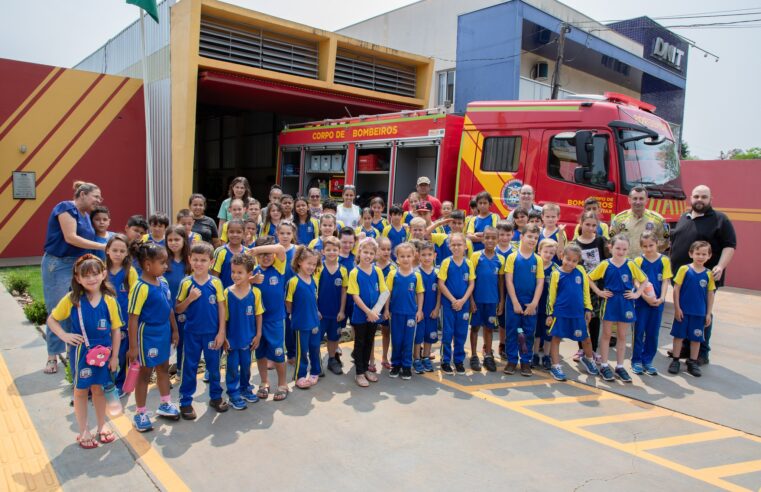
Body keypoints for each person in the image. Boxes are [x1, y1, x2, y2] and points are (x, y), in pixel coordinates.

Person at [46, 254, 122, 449]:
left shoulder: (109, 300)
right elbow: (52, 320)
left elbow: (116, 330)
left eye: (95, 274)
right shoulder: (73, 299)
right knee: (80, 391)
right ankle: (83, 430)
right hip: (81, 354)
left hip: (104, 354)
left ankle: (102, 426)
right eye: (85, 275)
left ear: (103, 274)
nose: (91, 278)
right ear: (78, 278)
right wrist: (64, 336)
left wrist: (114, 357)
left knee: (98, 390)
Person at [42, 181, 104, 375]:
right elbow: (71, 237)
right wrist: (103, 247)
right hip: (58, 264)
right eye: (96, 196)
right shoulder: (66, 207)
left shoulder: (86, 216)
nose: (99, 201)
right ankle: (52, 356)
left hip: (77, 266)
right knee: (57, 308)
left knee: (74, 308)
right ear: (83, 194)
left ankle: (70, 352)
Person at [669, 185, 736, 365]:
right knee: (683, 312)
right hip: (681, 278)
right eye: (697, 196)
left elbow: (730, 245)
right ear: (691, 198)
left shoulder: (720, 219)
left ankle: (701, 353)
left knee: (702, 313)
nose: (700, 200)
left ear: (710, 199)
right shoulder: (684, 217)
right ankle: (684, 348)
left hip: (704, 280)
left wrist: (720, 266)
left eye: (704, 197)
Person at [127, 242, 181, 430]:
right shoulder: (140, 287)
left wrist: (174, 330)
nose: (166, 266)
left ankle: (165, 403)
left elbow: (169, 309)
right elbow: (133, 318)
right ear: (148, 265)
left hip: (164, 331)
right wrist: (133, 347)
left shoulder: (163, 282)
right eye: (162, 262)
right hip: (147, 334)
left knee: (163, 368)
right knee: (144, 374)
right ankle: (140, 413)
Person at [175, 242, 228, 419]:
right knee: (189, 367)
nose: (199, 263)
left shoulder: (216, 282)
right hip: (192, 333)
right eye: (195, 259)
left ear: (211, 262)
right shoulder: (186, 283)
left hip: (212, 334)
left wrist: (222, 332)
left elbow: (222, 308)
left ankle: (215, 396)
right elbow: (178, 309)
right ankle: (185, 401)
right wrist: (189, 299)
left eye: (203, 260)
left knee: (214, 367)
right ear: (189, 259)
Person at [588, 235, 647, 383]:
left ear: (628, 250)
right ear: (611, 248)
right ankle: (604, 365)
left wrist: (637, 294)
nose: (621, 252)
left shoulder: (631, 264)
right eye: (618, 248)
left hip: (626, 302)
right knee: (607, 334)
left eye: (624, 249)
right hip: (610, 301)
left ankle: (620, 366)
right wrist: (599, 292)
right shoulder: (605, 264)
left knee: (622, 335)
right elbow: (588, 277)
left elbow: (644, 280)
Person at [545, 245, 600, 381]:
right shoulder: (556, 273)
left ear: (578, 262)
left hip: (578, 313)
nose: (570, 263)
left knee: (586, 339)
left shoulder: (580, 271)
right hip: (560, 313)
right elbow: (551, 296)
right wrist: (550, 314)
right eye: (568, 259)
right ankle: (556, 366)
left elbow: (586, 291)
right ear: (562, 256)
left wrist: (588, 308)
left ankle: (588, 359)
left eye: (574, 261)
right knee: (556, 339)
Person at [249, 237, 289, 402]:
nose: (266, 257)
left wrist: (255, 250)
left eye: (268, 253)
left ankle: (282, 384)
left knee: (278, 353)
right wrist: (252, 280)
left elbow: (280, 249)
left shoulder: (278, 267)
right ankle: (264, 382)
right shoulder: (253, 270)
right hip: (258, 321)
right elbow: (241, 283)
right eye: (262, 254)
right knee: (261, 353)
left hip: (275, 321)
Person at [668, 241, 716, 378]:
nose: (700, 256)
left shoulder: (708, 274)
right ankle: (675, 360)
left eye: (704, 254)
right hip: (683, 311)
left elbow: (710, 294)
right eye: (697, 253)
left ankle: (692, 362)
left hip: (699, 313)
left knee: (696, 339)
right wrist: (677, 308)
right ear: (691, 254)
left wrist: (708, 313)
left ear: (709, 256)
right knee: (679, 336)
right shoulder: (684, 269)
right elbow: (676, 289)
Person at [347, 238, 389, 387]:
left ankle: (366, 369)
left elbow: (384, 291)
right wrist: (368, 312)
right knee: (360, 343)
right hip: (361, 315)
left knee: (369, 342)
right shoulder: (354, 272)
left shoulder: (377, 270)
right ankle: (359, 372)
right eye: (365, 252)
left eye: (371, 253)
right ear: (359, 252)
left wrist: (375, 311)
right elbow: (355, 296)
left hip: (374, 315)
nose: (368, 256)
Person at [503, 225, 544, 377]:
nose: (533, 240)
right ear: (521, 237)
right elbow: (509, 281)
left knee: (528, 332)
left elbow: (540, 282)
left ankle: (526, 361)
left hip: (530, 302)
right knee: (512, 331)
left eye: (535, 237)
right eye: (530, 236)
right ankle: (512, 360)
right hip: (514, 301)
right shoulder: (512, 257)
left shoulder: (538, 260)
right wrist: (514, 301)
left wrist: (534, 303)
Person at [224, 254, 263, 410]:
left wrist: (258, 334)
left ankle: (245, 388)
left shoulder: (255, 293)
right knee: (232, 367)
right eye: (233, 272)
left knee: (246, 365)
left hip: (248, 338)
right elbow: (223, 319)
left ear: (249, 274)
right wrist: (224, 337)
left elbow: (258, 314)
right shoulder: (227, 293)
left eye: (240, 272)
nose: (235, 275)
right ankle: (233, 393)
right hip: (232, 340)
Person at [632, 231, 673, 376]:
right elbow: (636, 281)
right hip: (642, 303)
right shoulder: (638, 261)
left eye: (651, 245)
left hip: (657, 304)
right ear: (641, 247)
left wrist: (662, 298)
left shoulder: (664, 261)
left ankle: (647, 360)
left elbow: (665, 281)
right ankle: (636, 361)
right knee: (639, 332)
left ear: (657, 244)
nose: (648, 249)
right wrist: (644, 296)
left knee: (653, 333)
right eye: (645, 246)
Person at [384, 243, 424, 380]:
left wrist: (419, 310)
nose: (405, 259)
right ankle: (396, 364)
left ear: (414, 257)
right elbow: (387, 292)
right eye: (402, 256)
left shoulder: (416, 275)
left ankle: (406, 366)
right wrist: (386, 309)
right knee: (396, 340)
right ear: (397, 258)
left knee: (408, 341)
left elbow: (420, 293)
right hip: (396, 313)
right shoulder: (392, 274)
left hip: (411, 314)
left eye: (408, 256)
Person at [438, 233, 475, 375]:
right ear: (449, 246)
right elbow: (441, 283)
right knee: (447, 332)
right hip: (449, 304)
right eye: (453, 244)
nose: (456, 247)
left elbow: (471, 284)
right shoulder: (446, 262)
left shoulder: (469, 263)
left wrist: (463, 300)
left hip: (463, 305)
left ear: (465, 246)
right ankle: (445, 360)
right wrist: (453, 300)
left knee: (461, 333)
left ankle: (458, 360)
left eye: (459, 244)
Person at [105, 234, 138, 394]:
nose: (118, 253)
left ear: (127, 253)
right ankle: (104, 382)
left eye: (122, 250)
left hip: (124, 320)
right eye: (114, 250)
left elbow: (136, 296)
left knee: (122, 353)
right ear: (107, 251)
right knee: (106, 352)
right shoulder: (101, 270)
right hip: (105, 320)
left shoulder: (129, 272)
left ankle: (120, 384)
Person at [573, 211, 609, 361]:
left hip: (598, 288)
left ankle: (593, 349)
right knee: (581, 318)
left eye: (594, 225)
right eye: (587, 224)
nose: (590, 228)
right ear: (581, 223)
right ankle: (581, 348)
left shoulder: (601, 241)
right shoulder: (575, 244)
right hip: (581, 288)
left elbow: (608, 262)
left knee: (594, 320)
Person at [469, 227, 504, 372]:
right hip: (477, 300)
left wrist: (501, 301)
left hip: (492, 300)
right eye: (487, 237)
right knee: (475, 328)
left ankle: (488, 355)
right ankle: (473, 356)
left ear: (498, 240)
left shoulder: (500, 259)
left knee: (489, 329)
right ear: (483, 239)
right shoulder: (476, 256)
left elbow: (501, 282)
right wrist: (471, 300)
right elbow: (471, 280)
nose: (490, 240)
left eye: (493, 238)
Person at [286, 247, 322, 389]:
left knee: (315, 347)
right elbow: (288, 303)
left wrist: (316, 312)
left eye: (314, 264)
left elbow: (314, 299)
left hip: (314, 321)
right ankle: (300, 376)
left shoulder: (314, 280)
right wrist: (293, 314)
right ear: (300, 262)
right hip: (301, 322)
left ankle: (315, 371)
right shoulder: (293, 282)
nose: (311, 267)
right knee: (302, 351)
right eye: (309, 263)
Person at [609, 186, 668, 258]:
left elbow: (665, 243)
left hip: (647, 264)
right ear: (629, 200)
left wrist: (651, 254)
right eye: (635, 198)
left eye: (641, 199)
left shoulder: (658, 220)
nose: (638, 202)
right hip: (626, 264)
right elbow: (611, 242)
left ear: (647, 200)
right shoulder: (618, 219)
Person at [163, 225, 191, 376]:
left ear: (184, 240)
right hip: (165, 309)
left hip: (184, 309)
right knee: (166, 343)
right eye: (170, 240)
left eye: (177, 239)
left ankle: (180, 370)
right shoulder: (162, 260)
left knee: (183, 342)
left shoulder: (190, 261)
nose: (173, 242)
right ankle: (163, 374)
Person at [318, 237, 348, 375]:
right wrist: (315, 310)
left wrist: (342, 310)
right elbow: (313, 290)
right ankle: (315, 363)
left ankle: (332, 360)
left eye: (335, 250)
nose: (331, 252)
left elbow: (344, 292)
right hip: (320, 313)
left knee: (333, 338)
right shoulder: (318, 268)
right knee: (316, 339)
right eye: (328, 250)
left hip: (335, 313)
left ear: (339, 251)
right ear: (323, 251)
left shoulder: (343, 270)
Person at [413, 242, 440, 373]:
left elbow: (440, 292)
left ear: (435, 256)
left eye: (430, 254)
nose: (427, 257)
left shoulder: (437, 273)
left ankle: (426, 357)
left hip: (432, 310)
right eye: (423, 255)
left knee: (430, 334)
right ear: (418, 256)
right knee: (418, 336)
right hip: (419, 311)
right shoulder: (415, 272)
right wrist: (417, 310)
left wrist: (437, 308)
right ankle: (416, 358)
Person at [534, 239, 557, 371]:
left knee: (548, 332)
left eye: (551, 253)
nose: (548, 255)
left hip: (549, 307)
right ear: (539, 251)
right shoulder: (535, 265)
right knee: (537, 331)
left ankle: (547, 356)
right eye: (546, 252)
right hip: (537, 304)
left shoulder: (555, 269)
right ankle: (535, 354)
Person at [373, 237, 395, 372]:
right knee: (370, 333)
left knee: (386, 332)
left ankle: (385, 357)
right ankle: (370, 360)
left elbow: (390, 291)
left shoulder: (393, 267)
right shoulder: (372, 266)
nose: (386, 252)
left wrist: (387, 308)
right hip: (373, 306)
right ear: (377, 250)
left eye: (388, 249)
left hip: (387, 306)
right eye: (383, 249)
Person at [211, 219, 247, 288]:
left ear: (244, 234)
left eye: (239, 232)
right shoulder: (220, 251)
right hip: (223, 294)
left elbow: (251, 275)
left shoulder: (248, 253)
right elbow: (215, 276)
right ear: (227, 233)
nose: (235, 235)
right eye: (231, 232)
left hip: (243, 295)